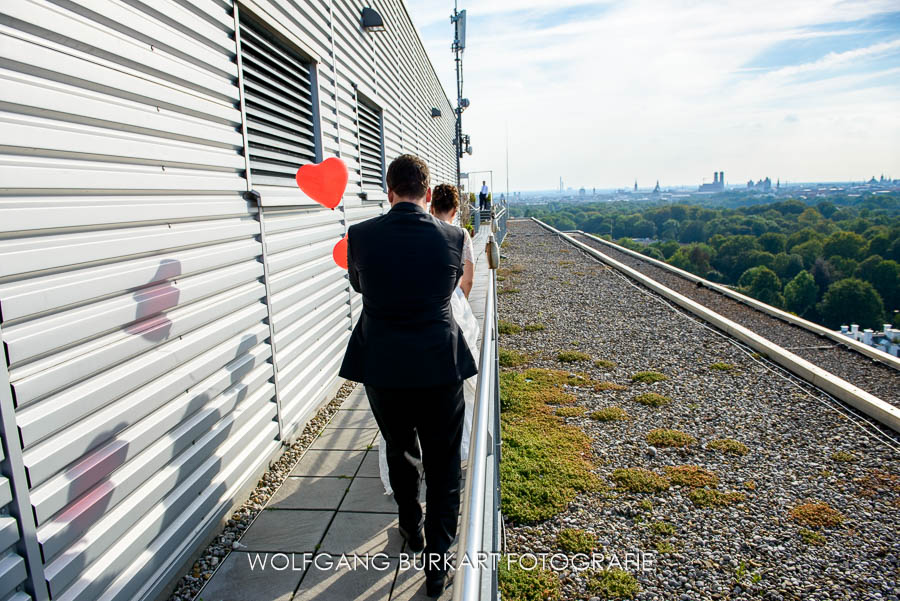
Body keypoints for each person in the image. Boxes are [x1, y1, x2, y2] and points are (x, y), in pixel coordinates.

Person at [338, 154, 478, 597]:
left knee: (400, 450)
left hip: (383, 366)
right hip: (440, 364)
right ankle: (437, 566)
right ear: (429, 189)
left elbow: (360, 286)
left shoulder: (360, 236)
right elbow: (451, 285)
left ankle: (410, 526)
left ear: (389, 190)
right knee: (443, 466)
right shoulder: (453, 236)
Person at [376, 183, 479, 494]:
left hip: (404, 330)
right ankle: (453, 458)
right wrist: (458, 305)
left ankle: (409, 466)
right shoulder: (459, 236)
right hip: (449, 311)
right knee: (453, 389)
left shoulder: (409, 233)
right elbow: (468, 280)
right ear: (456, 208)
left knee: (405, 404)